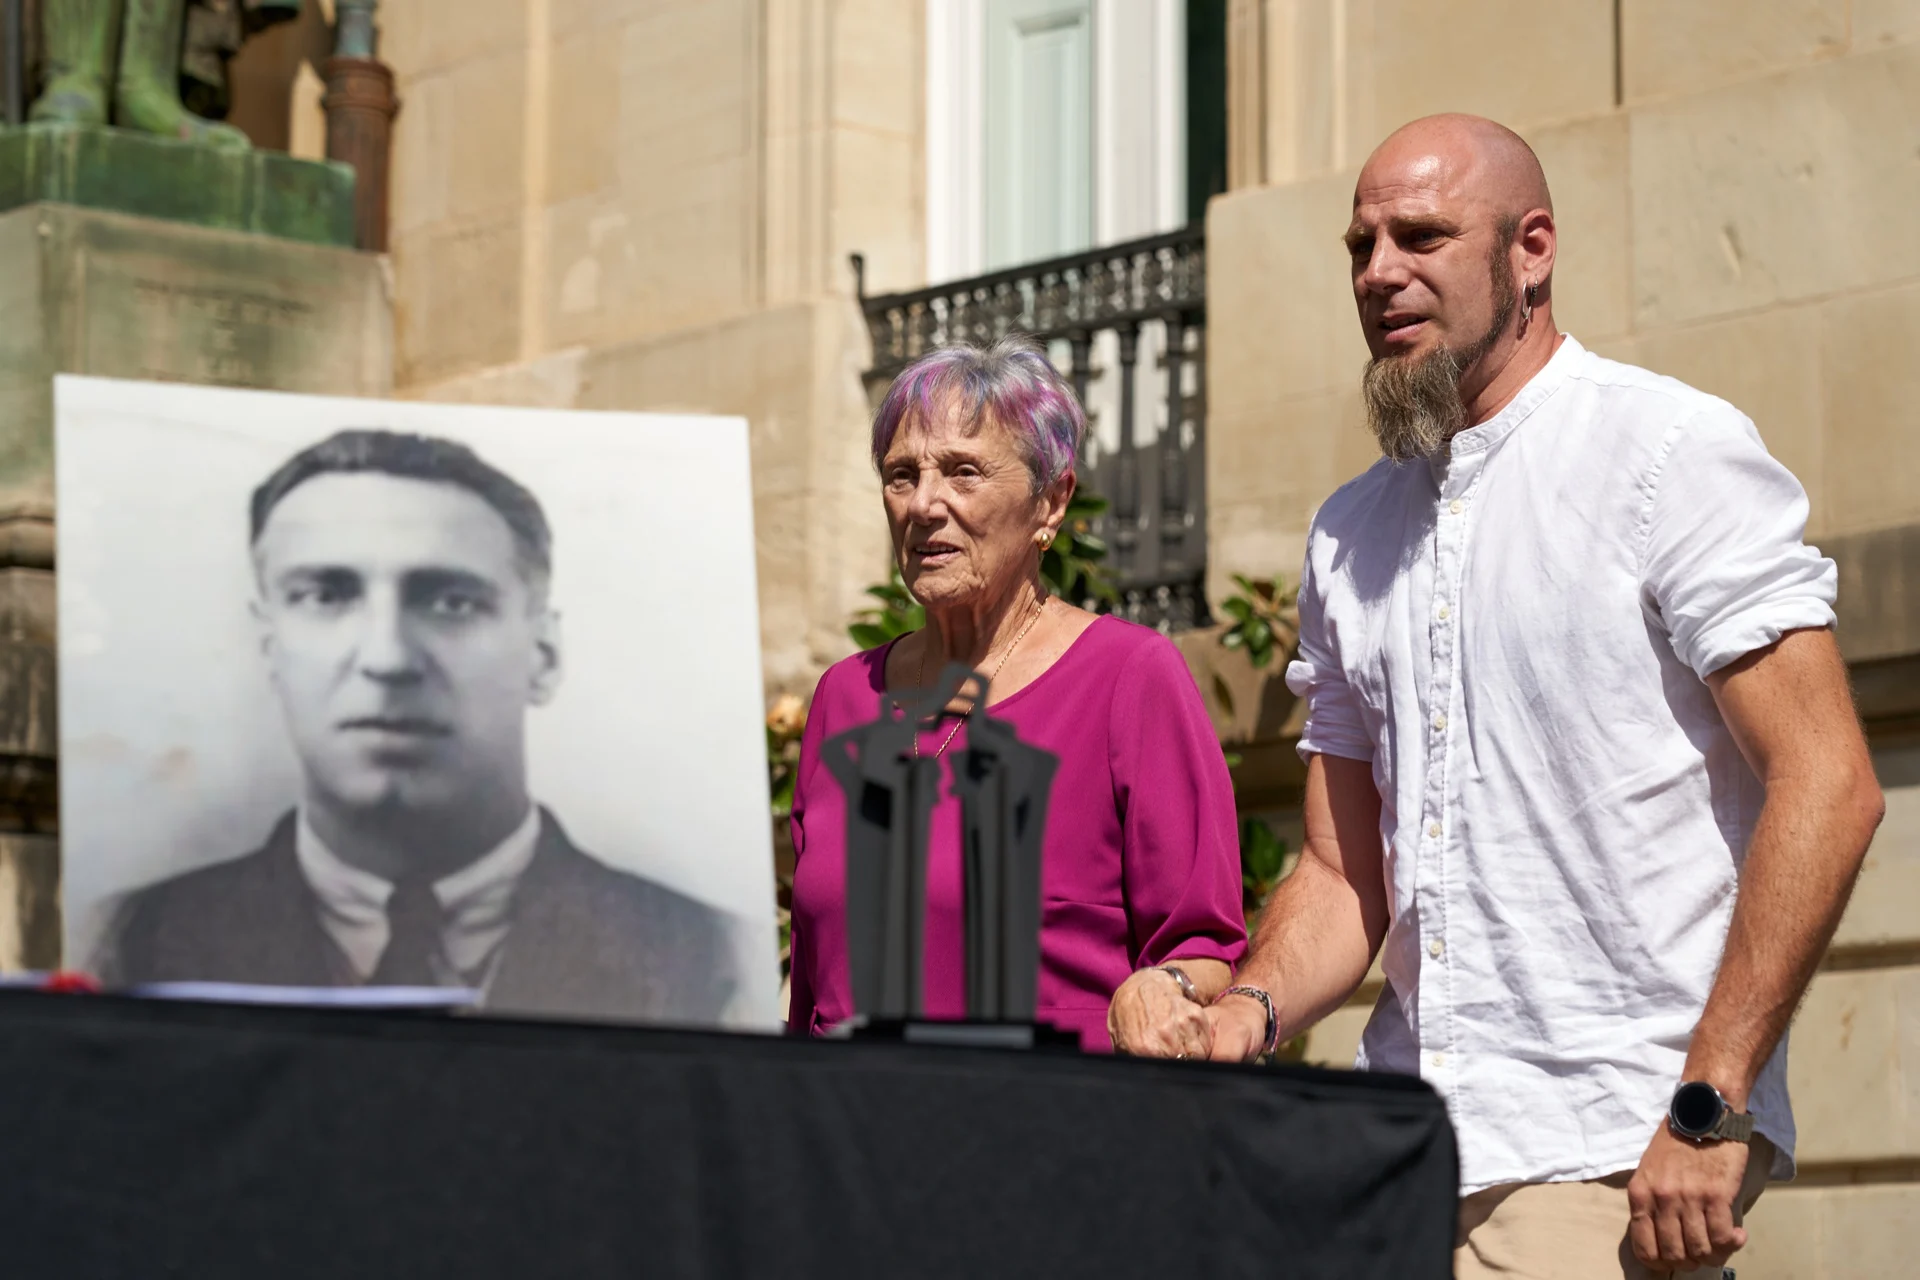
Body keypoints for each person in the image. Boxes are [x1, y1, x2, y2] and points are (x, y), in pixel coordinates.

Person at [1119, 114, 1885, 1277]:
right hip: (1400, 1154)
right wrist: (1248, 1008)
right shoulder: (1349, 531)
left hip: (1611, 1151)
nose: (1380, 272)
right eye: (1361, 245)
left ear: (1532, 250)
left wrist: (1711, 1102)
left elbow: (1827, 782)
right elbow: (1341, 869)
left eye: (1421, 236)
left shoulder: (1668, 450)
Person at [96, 428, 740, 1025]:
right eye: (325, 596)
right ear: (270, 649)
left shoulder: (711, 956)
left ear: (544, 656)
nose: (387, 659)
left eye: (452, 602)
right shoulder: (130, 941)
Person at [785, 337, 1247, 1053]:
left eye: (963, 472)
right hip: (843, 1117)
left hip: (1045, 1114)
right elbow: (809, 991)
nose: (924, 504)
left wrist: (1169, 988)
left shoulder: (1130, 678)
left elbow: (1205, 950)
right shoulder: (844, 696)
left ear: (1051, 503)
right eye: (902, 475)